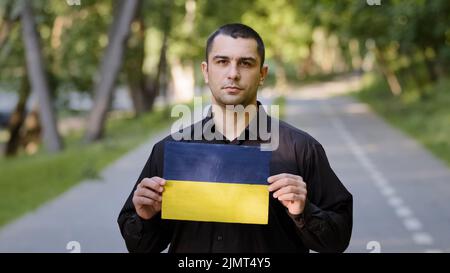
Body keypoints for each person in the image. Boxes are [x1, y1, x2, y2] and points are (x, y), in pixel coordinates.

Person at [118, 23, 353, 253]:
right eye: (222, 62)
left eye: (246, 63)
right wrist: (145, 217)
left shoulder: (300, 149)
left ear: (262, 74)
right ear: (206, 71)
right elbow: (140, 247)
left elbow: (337, 241)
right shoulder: (170, 150)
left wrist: (304, 211)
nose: (233, 74)